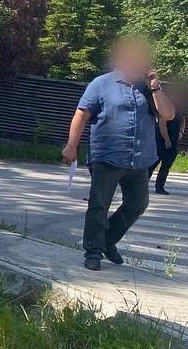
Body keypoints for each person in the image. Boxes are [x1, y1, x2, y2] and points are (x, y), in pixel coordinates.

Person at [61, 38, 175, 271]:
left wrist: (155, 86)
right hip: (108, 156)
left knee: (138, 204)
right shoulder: (101, 84)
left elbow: (169, 115)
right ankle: (93, 251)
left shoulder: (149, 88)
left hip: (139, 158)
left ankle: (107, 240)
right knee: (99, 204)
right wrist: (72, 146)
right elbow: (81, 114)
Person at [149, 94, 184, 195]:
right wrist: (167, 140)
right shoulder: (165, 109)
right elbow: (162, 124)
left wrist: (181, 131)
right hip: (161, 141)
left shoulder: (179, 109)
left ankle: (160, 187)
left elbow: (183, 120)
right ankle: (142, 185)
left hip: (173, 142)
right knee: (152, 164)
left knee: (166, 166)